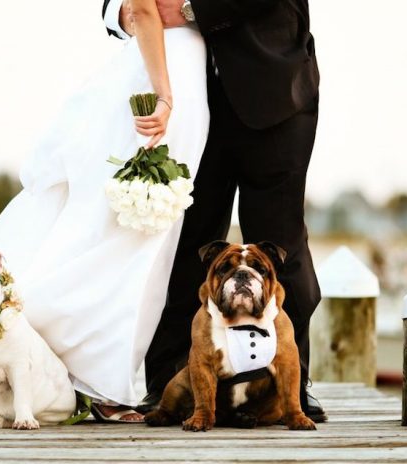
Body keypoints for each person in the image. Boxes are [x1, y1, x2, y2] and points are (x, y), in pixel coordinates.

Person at [0, 0, 210, 422]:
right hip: (163, 75)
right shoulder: (168, 72)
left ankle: (81, 371)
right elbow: (140, 7)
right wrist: (164, 93)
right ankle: (83, 372)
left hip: (177, 69)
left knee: (139, 240)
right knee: (120, 236)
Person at [103, 0, 327, 421]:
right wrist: (122, 12)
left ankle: (293, 382)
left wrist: (191, 10)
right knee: (184, 242)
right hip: (185, 102)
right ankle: (170, 380)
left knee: (281, 243)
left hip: (274, 90)